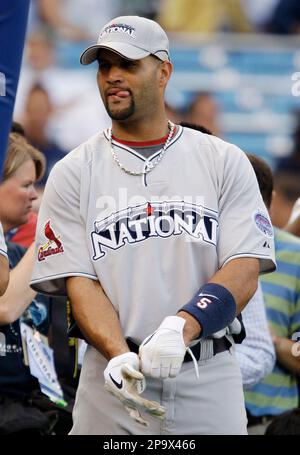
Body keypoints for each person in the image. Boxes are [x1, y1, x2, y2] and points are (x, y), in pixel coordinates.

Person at [30, 15, 276, 435]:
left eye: (128, 64)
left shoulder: (223, 160)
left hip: (206, 370)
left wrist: (185, 324)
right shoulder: (73, 171)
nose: (113, 77)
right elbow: (79, 280)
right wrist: (116, 353)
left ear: (164, 71)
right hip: (111, 377)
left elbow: (243, 266)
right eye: (105, 66)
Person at [0, 134, 73, 434]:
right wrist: (50, 228)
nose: (34, 195)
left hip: (29, 410)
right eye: (26, 184)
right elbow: (4, 307)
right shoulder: (34, 253)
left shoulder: (18, 254)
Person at [244, 154, 300, 435]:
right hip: (202, 418)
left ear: (271, 201)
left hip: (272, 424)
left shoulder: (296, 258)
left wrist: (270, 341)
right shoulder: (197, 250)